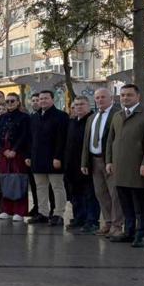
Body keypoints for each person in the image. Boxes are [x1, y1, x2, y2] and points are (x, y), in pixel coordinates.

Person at [106, 84, 144, 248]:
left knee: (140, 205)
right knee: (125, 203)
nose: (125, 98)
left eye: (129, 95)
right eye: (122, 95)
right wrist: (109, 161)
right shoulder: (117, 116)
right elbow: (110, 141)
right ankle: (129, 232)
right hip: (120, 168)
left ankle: (141, 235)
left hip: (138, 168)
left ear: (138, 97)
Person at [80, 87, 123, 238]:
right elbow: (87, 141)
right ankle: (108, 222)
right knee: (101, 193)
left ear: (111, 98)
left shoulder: (117, 114)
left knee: (115, 194)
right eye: (97, 98)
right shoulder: (93, 117)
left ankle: (117, 226)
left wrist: (111, 160)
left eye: (103, 97)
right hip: (94, 160)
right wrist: (84, 162)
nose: (100, 100)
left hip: (109, 161)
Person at [27, 91, 69, 226]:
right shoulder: (34, 117)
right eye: (40, 99)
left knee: (57, 187)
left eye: (46, 98)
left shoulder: (61, 116)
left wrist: (58, 157)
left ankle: (58, 214)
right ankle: (43, 213)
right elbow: (30, 139)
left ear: (52, 99)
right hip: (37, 159)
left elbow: (62, 139)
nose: (43, 101)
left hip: (54, 159)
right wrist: (29, 156)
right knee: (40, 187)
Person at [0, 93, 31, 222]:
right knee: (5, 180)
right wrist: (3, 151)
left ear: (18, 102)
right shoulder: (1, 118)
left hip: (18, 153)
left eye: (12, 101)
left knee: (19, 180)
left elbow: (25, 135)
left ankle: (19, 211)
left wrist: (14, 150)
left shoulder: (25, 117)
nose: (9, 103)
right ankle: (6, 209)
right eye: (7, 101)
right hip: (4, 153)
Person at [65, 97, 99, 234]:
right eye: (76, 105)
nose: (78, 107)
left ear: (89, 105)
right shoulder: (72, 122)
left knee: (90, 195)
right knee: (75, 194)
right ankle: (79, 217)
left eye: (82, 104)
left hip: (87, 165)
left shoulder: (92, 120)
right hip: (72, 165)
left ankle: (92, 221)